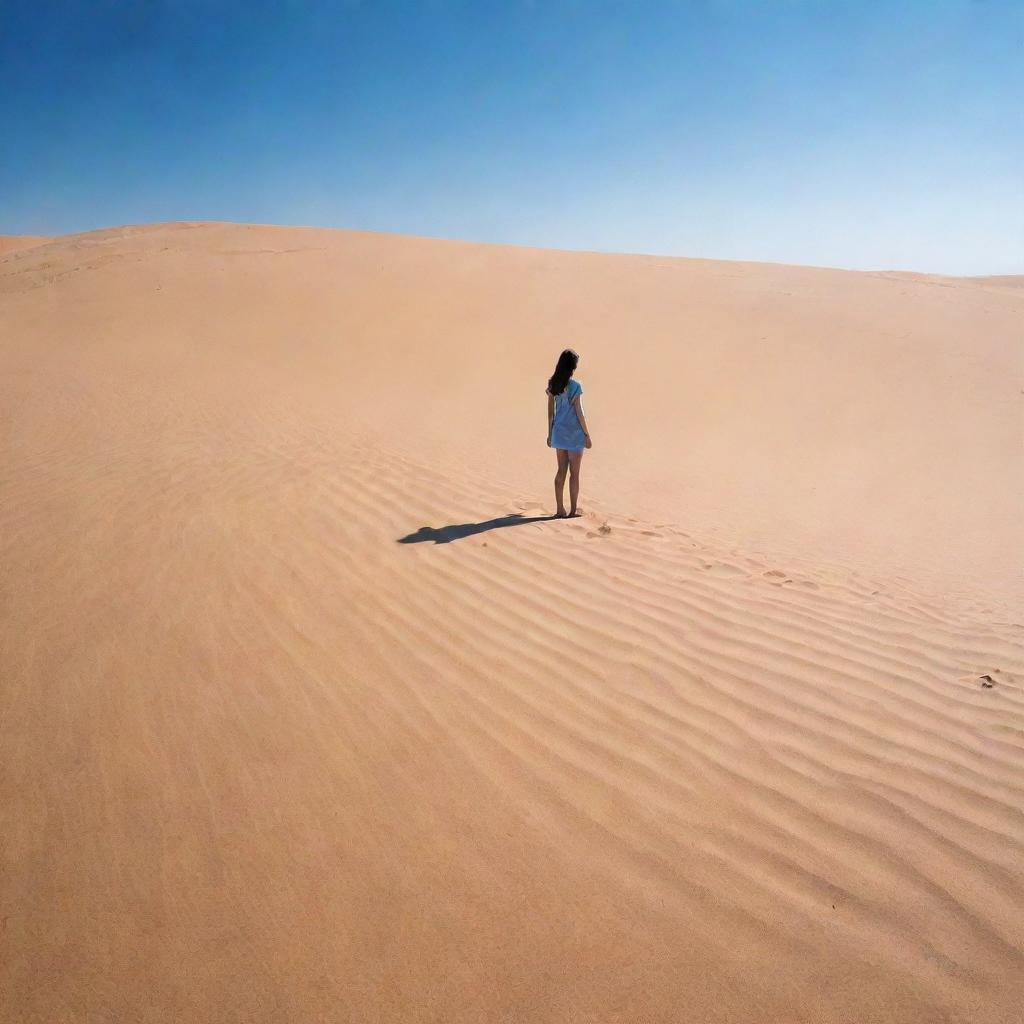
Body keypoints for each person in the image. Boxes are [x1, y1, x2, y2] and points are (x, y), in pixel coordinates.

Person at [545, 348, 592, 518]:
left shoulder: (553, 384)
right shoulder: (576, 386)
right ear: (572, 367)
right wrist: (587, 435)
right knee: (575, 473)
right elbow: (580, 412)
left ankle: (559, 509)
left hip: (559, 432)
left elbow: (550, 411)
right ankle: (572, 510)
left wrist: (550, 434)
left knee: (561, 471)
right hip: (574, 434)